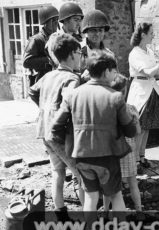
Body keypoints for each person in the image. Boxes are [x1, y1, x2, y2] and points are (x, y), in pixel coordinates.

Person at [50, 50, 137, 217]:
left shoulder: (73, 95)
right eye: (114, 71)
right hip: (108, 158)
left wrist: (69, 146)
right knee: (115, 195)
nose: (115, 74)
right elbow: (130, 131)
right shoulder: (116, 97)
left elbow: (55, 127)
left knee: (90, 197)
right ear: (106, 72)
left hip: (82, 157)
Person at [28, 33, 84, 215]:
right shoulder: (72, 78)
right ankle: (89, 219)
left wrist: (45, 109)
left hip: (45, 131)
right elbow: (70, 100)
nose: (81, 57)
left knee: (57, 172)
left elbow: (32, 91)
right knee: (82, 176)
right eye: (79, 53)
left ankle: (61, 215)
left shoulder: (49, 75)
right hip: (60, 135)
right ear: (71, 55)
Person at [127, 21, 159, 168]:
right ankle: (135, 160)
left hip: (152, 90)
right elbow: (148, 72)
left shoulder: (149, 52)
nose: (153, 35)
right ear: (143, 35)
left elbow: (155, 72)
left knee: (147, 127)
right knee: (139, 127)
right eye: (151, 33)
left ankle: (142, 156)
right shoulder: (135, 53)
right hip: (141, 91)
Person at [103, 74, 142, 212]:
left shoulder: (106, 109)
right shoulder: (131, 109)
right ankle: (139, 210)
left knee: (108, 184)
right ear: (125, 91)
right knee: (133, 183)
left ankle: (106, 210)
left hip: (112, 150)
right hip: (128, 149)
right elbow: (137, 131)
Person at [23, 5, 59, 86]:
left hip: (55, 79)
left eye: (57, 19)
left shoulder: (57, 38)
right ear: (45, 22)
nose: (56, 22)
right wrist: (49, 59)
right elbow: (26, 62)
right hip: (42, 80)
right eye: (53, 20)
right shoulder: (36, 39)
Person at [46, 2, 84, 69]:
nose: (79, 24)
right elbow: (59, 62)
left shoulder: (77, 39)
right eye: (76, 20)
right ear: (66, 20)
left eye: (80, 20)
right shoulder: (55, 39)